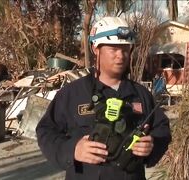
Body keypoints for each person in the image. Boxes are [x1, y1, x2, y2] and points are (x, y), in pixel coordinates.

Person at [36, 16, 171, 180]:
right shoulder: (72, 94)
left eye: (125, 49)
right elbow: (46, 131)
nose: (120, 56)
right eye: (113, 49)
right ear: (96, 49)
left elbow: (162, 128)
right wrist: (73, 149)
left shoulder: (141, 94)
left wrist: (151, 145)